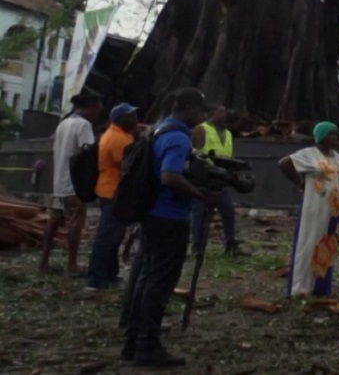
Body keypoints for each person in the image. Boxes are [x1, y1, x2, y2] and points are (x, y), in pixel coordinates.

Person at [123, 87, 216, 367]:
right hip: (169, 218)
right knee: (160, 281)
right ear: (187, 109)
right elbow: (169, 176)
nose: (202, 118)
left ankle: (133, 340)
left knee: (146, 277)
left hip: (152, 215)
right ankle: (148, 346)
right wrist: (201, 195)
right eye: (200, 112)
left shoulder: (157, 130)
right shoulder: (177, 138)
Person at [279, 121, 339, 298]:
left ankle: (320, 287)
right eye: (330, 134)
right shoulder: (309, 154)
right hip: (314, 207)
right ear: (321, 136)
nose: (334, 138)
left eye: (336, 134)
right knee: (309, 242)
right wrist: (300, 182)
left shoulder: (335, 156)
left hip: (331, 209)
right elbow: (284, 164)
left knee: (326, 244)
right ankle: (300, 286)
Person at [40, 93, 102, 275]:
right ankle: (72, 265)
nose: (99, 112)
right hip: (75, 184)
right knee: (75, 223)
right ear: (90, 107)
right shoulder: (84, 125)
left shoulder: (63, 124)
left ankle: (43, 262)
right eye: (98, 108)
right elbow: (88, 151)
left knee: (54, 222)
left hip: (59, 182)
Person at [85, 102, 139, 290]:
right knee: (108, 237)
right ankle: (97, 278)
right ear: (122, 119)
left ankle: (108, 274)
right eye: (131, 116)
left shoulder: (117, 134)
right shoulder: (118, 139)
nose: (135, 119)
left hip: (110, 190)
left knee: (113, 236)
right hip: (113, 192)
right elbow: (129, 165)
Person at [190, 105, 244, 256]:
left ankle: (230, 244)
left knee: (228, 210)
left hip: (221, 178)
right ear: (211, 113)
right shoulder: (201, 129)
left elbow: (229, 155)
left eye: (226, 111)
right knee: (199, 213)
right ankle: (197, 246)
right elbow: (194, 151)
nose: (225, 114)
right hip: (203, 178)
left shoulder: (227, 133)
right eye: (221, 111)